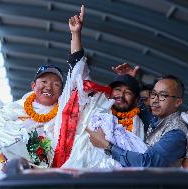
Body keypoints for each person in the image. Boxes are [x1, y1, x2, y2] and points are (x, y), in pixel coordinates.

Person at [53, 5, 146, 169]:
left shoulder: (138, 121)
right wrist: (76, 34)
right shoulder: (97, 105)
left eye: (128, 92)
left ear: (136, 99)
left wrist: (135, 81)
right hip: (77, 173)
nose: (121, 95)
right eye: (118, 90)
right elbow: (79, 71)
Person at [0, 64, 64, 171]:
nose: (49, 87)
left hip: (41, 172)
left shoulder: (63, 115)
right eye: (44, 82)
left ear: (61, 92)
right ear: (33, 86)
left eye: (56, 84)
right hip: (5, 169)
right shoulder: (16, 107)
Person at [87, 75, 188, 167]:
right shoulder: (155, 119)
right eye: (153, 94)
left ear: (177, 102)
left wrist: (106, 145)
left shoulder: (176, 134)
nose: (155, 100)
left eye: (163, 95)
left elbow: (146, 164)